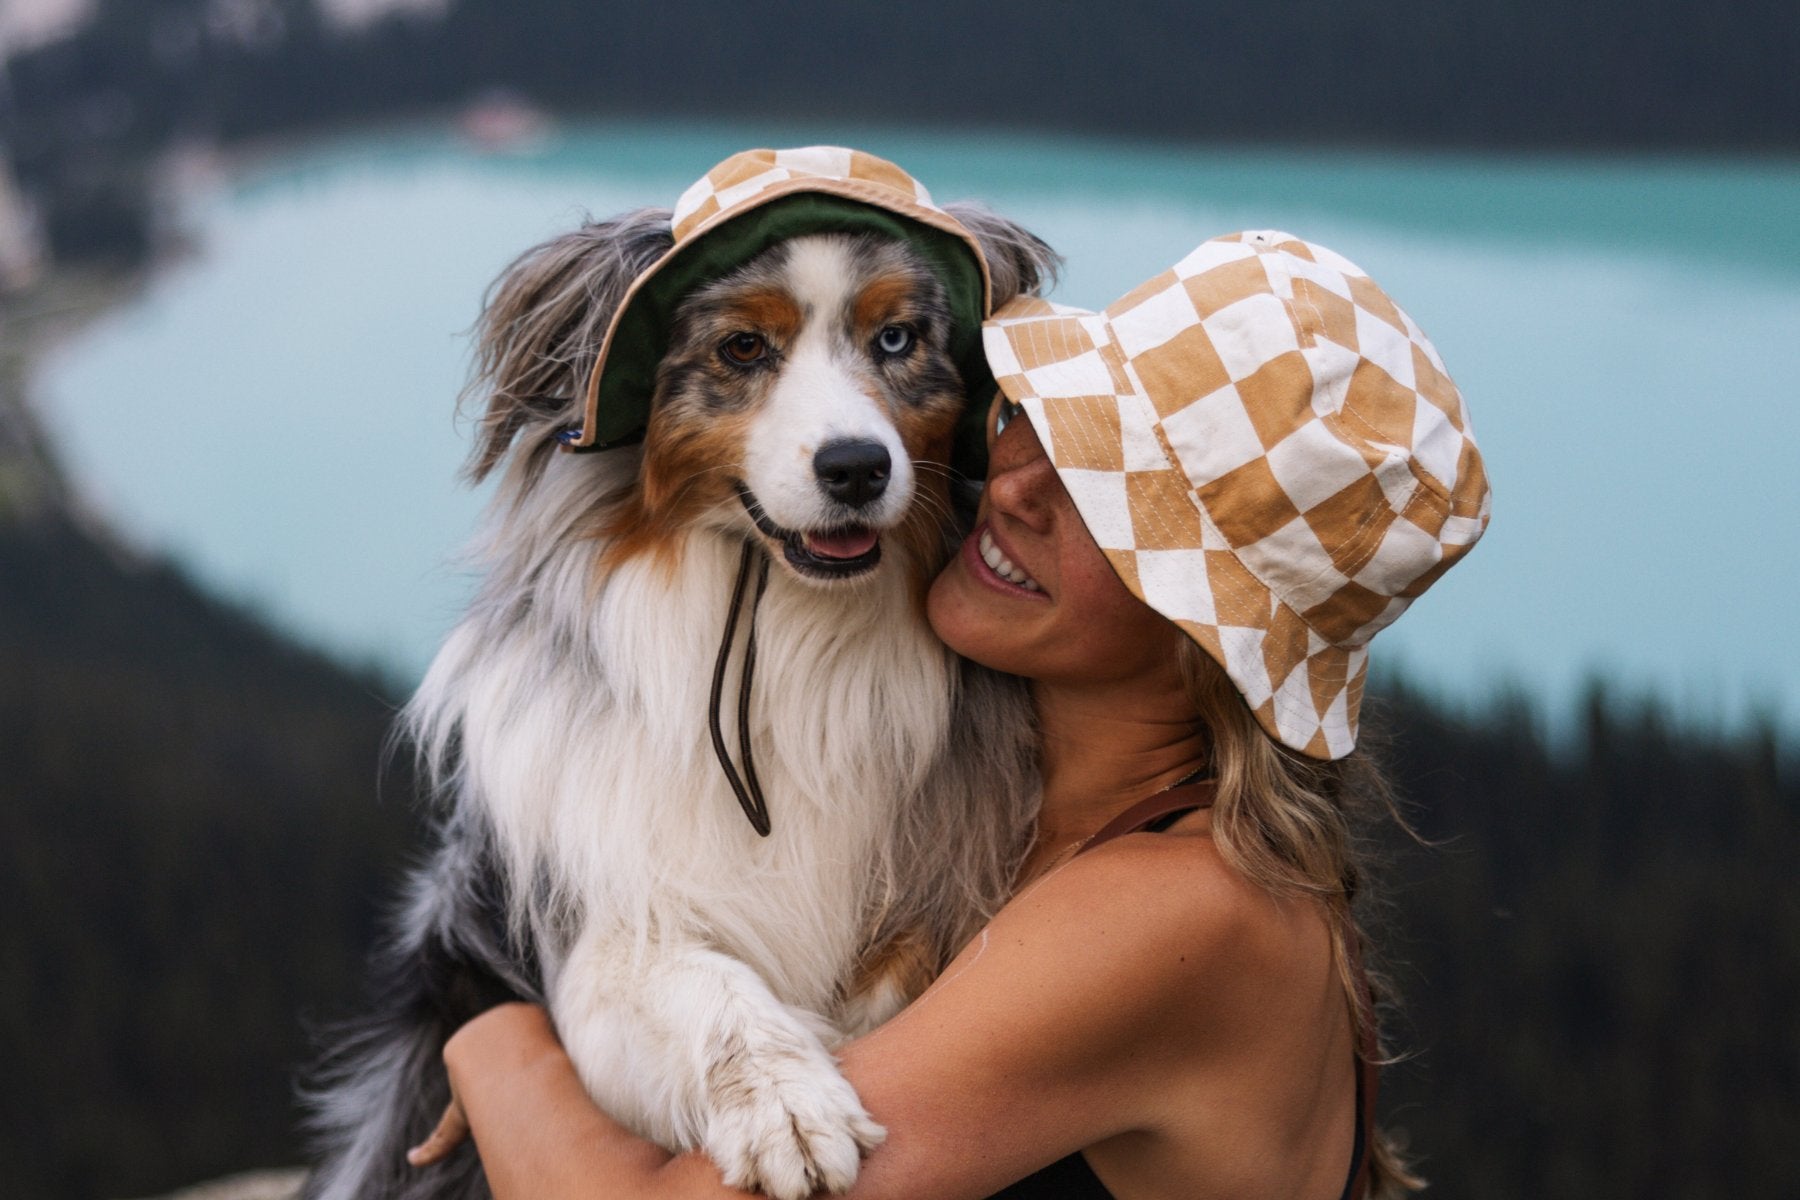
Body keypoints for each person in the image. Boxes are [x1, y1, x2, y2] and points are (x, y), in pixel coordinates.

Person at [408, 230, 1491, 1200]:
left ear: (1212, 627)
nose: (1011, 487)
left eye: (1110, 500)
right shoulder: (1014, 816)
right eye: (1041, 424)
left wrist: (484, 1023)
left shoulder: (1180, 913)